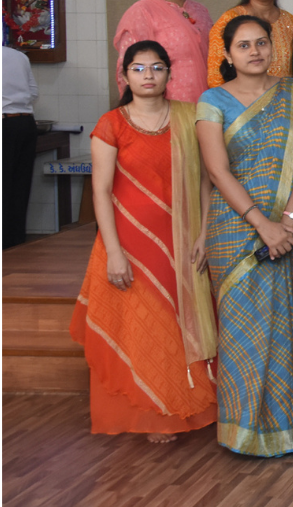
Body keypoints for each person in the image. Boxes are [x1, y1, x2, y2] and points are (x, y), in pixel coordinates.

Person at [70, 40, 217, 440]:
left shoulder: (190, 117)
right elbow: (101, 191)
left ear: (169, 73)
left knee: (180, 321)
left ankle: (192, 404)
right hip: (130, 241)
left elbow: (207, 182)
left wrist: (205, 233)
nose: (148, 75)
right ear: (125, 75)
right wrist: (114, 252)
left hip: (183, 238)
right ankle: (156, 412)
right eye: (138, 68)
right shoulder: (111, 124)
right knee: (146, 326)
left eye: (156, 67)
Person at [196, 15, 293, 456]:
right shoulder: (212, 101)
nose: (255, 51)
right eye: (244, 45)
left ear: (273, 47)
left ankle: (290, 427)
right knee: (242, 332)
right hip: (234, 231)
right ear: (228, 55)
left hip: (288, 229)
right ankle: (242, 431)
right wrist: (262, 225)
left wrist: (288, 220)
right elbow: (217, 170)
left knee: (288, 328)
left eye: (261, 43)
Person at [113, 0, 213, 103]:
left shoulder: (201, 11)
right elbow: (128, 68)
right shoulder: (141, 12)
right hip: (163, 107)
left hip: (206, 104)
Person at [2, 41, 38, 249]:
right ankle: (15, 238)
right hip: (25, 123)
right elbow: (33, 92)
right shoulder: (19, 56)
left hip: (3, 123)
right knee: (20, 183)